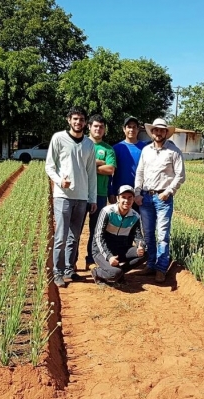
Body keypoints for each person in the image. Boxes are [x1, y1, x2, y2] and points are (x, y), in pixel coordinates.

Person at [45, 106, 97, 288]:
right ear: (69, 120)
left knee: (74, 237)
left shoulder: (89, 144)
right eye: (75, 119)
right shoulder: (58, 138)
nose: (78, 122)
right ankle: (57, 272)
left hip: (81, 197)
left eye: (81, 120)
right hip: (63, 196)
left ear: (85, 123)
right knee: (61, 236)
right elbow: (49, 166)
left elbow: (91, 173)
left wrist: (92, 198)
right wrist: (60, 181)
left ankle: (69, 269)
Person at [134, 118, 186, 283]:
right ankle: (150, 264)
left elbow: (180, 175)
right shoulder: (146, 150)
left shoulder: (174, 151)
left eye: (161, 130)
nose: (158, 133)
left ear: (166, 132)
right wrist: (137, 193)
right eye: (155, 130)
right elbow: (140, 173)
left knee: (162, 235)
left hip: (163, 198)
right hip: (146, 197)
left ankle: (161, 268)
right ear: (152, 132)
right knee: (148, 234)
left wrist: (169, 191)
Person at [91, 185, 147, 285]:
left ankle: (118, 272)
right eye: (123, 197)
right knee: (114, 274)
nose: (127, 200)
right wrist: (109, 257)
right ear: (118, 198)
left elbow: (138, 236)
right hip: (101, 250)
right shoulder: (107, 212)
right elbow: (98, 237)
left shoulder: (135, 216)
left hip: (120, 249)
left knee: (145, 253)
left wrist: (140, 246)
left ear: (133, 199)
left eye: (130, 197)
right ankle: (97, 272)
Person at [84, 114, 116, 270]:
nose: (98, 129)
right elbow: (76, 164)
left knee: (96, 229)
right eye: (95, 126)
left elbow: (110, 169)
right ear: (89, 127)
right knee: (75, 230)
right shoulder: (81, 144)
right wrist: (98, 163)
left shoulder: (108, 148)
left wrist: (88, 165)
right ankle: (70, 262)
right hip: (81, 193)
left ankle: (91, 258)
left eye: (101, 127)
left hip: (100, 193)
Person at [110, 117, 148, 206]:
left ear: (138, 129)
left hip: (139, 194)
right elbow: (110, 173)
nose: (131, 129)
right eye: (129, 127)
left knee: (138, 219)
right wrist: (111, 192)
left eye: (134, 127)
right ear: (124, 129)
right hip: (120, 194)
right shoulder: (116, 148)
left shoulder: (145, 148)